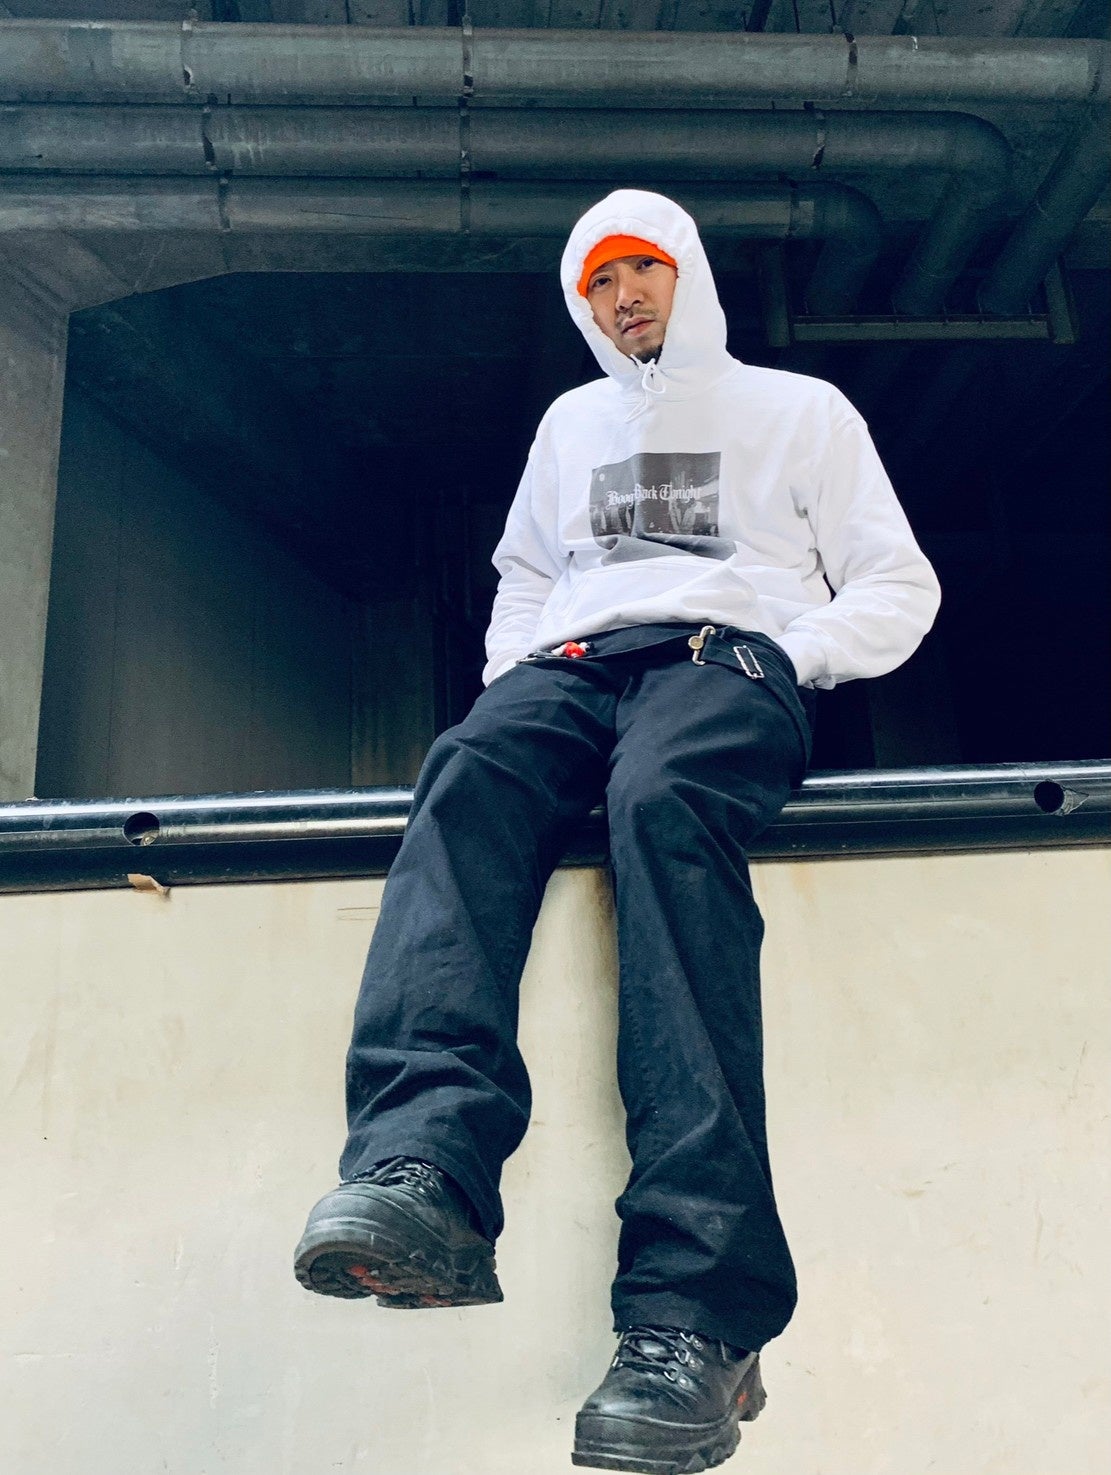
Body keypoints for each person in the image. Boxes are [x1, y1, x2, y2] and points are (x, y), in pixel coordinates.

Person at [294, 188, 941, 1474]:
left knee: (660, 805)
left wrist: (792, 652)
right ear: (579, 303)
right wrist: (515, 676)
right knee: (466, 769)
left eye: (643, 267)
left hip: (723, 658)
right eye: (598, 280)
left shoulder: (798, 410)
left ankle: (696, 1316)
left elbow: (895, 582)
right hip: (572, 663)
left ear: (686, 275)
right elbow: (524, 577)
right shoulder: (569, 423)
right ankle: (424, 1173)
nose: (622, 294)